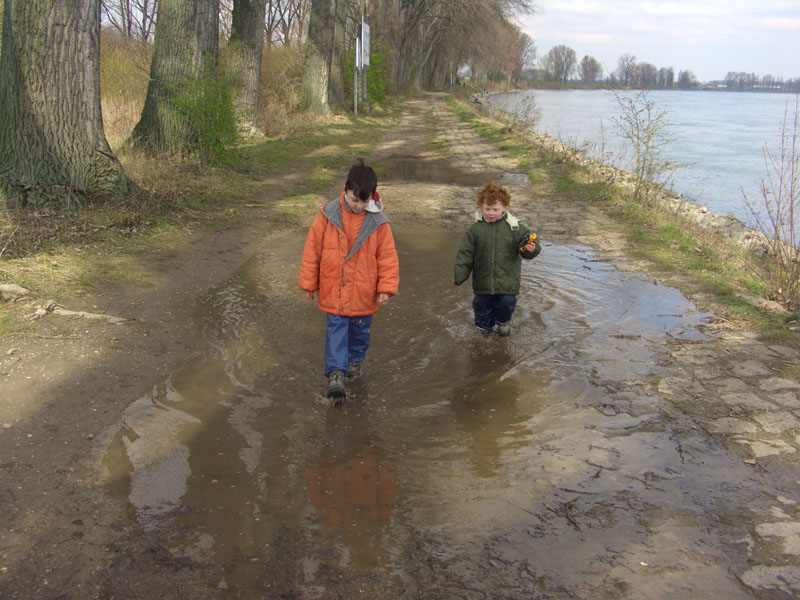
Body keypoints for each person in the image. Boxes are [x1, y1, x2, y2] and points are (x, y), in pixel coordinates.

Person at [298, 159, 400, 400]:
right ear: (345, 191)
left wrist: (385, 287)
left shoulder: (379, 223)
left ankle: (354, 363)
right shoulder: (327, 216)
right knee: (336, 329)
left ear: (372, 197)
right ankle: (335, 373)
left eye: (363, 202)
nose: (358, 206)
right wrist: (309, 283)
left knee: (360, 334)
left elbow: (387, 257)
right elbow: (312, 250)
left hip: (364, 292)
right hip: (334, 289)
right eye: (354, 200)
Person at [454, 181, 541, 337]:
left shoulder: (515, 228)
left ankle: (503, 323)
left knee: (506, 304)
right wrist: (461, 274)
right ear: (481, 207)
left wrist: (531, 249)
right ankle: (483, 329)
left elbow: (527, 247)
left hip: (507, 281)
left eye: (495, 209)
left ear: (505, 207)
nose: (491, 213)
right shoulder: (475, 230)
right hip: (483, 282)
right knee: (481, 305)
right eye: (487, 209)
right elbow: (465, 253)